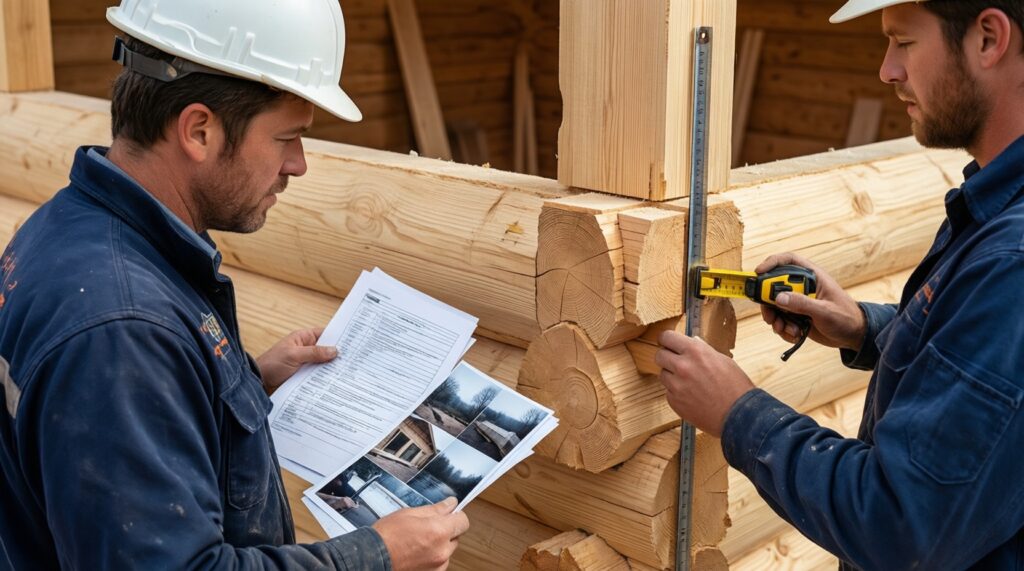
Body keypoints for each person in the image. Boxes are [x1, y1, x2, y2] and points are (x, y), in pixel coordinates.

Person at [0, 1, 468, 569]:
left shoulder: (81, 227)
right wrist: (377, 555)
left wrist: (245, 382)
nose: (297, 165)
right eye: (287, 138)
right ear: (199, 129)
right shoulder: (122, 331)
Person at [656, 0, 1024, 569]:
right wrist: (864, 329)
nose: (887, 70)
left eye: (903, 42)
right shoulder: (996, 209)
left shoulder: (1011, 262)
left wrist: (738, 412)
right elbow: (978, 364)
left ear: (988, 39)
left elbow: (899, 524)